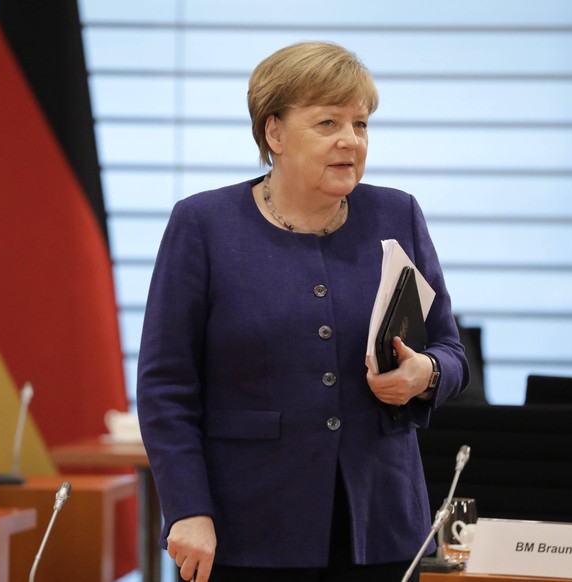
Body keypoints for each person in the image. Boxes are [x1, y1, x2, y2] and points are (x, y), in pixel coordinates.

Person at [136, 40, 470, 582]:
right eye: (328, 123)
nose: (350, 141)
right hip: (249, 525)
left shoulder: (397, 213)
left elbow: (451, 352)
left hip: (380, 523)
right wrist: (187, 506)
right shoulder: (203, 225)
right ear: (274, 133)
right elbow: (166, 386)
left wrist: (425, 374)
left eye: (360, 124)